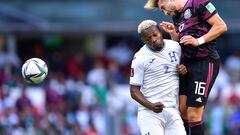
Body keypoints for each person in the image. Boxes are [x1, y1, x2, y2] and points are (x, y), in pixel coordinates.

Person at [144, 0, 227, 135]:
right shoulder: (177, 16)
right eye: (162, 11)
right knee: (182, 111)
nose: (165, 12)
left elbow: (221, 26)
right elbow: (181, 43)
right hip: (186, 65)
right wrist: (173, 34)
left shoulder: (199, 3)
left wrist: (198, 41)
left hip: (204, 62)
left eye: (164, 8)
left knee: (194, 114)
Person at [129, 19, 187, 135]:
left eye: (155, 35)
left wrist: (183, 69)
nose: (153, 40)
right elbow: (134, 91)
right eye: (148, 39)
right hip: (150, 114)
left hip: (172, 110)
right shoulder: (140, 58)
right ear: (143, 40)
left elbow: (184, 66)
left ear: (160, 32)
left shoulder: (175, 46)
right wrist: (150, 105)